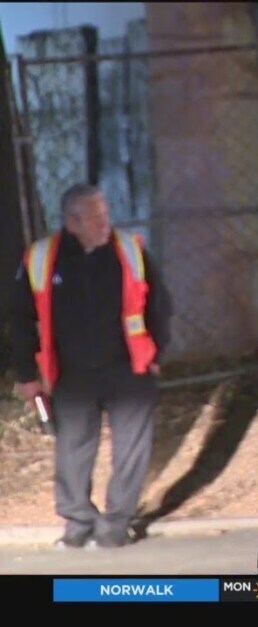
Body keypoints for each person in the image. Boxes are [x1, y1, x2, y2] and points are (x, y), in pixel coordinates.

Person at [8, 183, 171, 549]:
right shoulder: (41, 259)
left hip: (129, 369)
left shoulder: (130, 250)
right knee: (72, 449)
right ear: (72, 222)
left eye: (106, 214)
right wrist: (28, 376)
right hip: (72, 373)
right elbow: (20, 320)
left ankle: (115, 525)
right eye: (95, 217)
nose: (104, 223)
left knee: (131, 450)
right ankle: (78, 521)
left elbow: (160, 306)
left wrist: (155, 355)